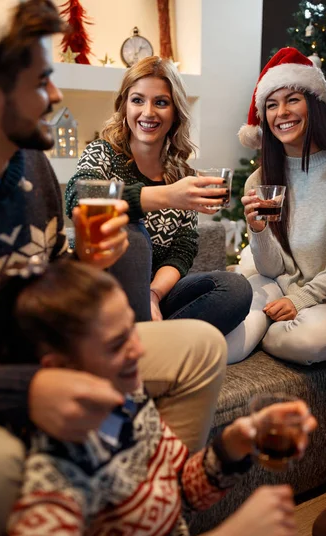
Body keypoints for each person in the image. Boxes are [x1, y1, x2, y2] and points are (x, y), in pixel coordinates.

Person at [0, 0, 226, 536]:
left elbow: (47, 276)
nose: (56, 96)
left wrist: (84, 263)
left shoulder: (32, 166)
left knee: (202, 347)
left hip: (53, 352)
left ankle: (146, 527)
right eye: (43, 80)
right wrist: (25, 391)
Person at [0, 256, 326, 536]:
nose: (139, 349)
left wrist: (233, 444)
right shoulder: (55, 472)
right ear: (58, 366)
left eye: (133, 328)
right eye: (116, 343)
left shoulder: (127, 404)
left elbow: (179, 491)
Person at [66, 57, 252, 334]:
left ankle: (149, 342)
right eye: (138, 100)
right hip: (105, 291)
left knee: (234, 288)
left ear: (175, 112)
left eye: (161, 103)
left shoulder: (181, 172)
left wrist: (151, 295)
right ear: (124, 106)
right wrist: (169, 196)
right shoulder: (102, 154)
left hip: (157, 295)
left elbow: (182, 250)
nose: (148, 112)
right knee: (130, 229)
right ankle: (154, 344)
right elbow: (78, 199)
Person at [226, 47, 326, 365]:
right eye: (271, 105)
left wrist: (301, 298)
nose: (281, 113)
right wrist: (258, 231)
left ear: (313, 104)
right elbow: (273, 270)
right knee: (229, 343)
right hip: (278, 282)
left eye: (292, 99)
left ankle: (263, 334)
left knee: (310, 342)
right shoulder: (261, 181)